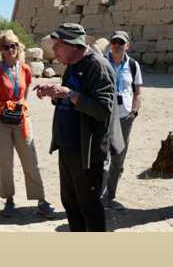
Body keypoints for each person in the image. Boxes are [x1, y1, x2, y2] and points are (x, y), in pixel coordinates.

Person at [34, 23, 122, 232]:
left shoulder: (97, 66)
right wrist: (54, 93)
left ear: (73, 45)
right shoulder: (71, 65)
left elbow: (102, 109)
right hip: (67, 146)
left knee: (89, 206)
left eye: (57, 44)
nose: (53, 49)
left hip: (87, 150)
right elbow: (69, 98)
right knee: (71, 204)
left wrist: (70, 94)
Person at [0, 31, 54, 219]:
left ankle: (41, 201)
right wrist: (4, 109)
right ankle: (9, 200)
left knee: (31, 162)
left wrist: (17, 108)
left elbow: (24, 94)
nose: (10, 49)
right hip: (1, 122)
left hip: (22, 120)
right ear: (0, 50)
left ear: (19, 47)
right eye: (6, 46)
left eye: (13, 45)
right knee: (5, 164)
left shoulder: (25, 69)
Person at [102, 31, 143, 210]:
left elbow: (138, 92)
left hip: (125, 119)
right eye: (114, 41)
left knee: (118, 161)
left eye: (121, 42)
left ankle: (110, 197)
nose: (117, 44)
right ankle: (98, 198)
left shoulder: (133, 65)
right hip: (103, 117)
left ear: (127, 45)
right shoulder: (101, 62)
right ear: (110, 44)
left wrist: (134, 112)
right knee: (101, 160)